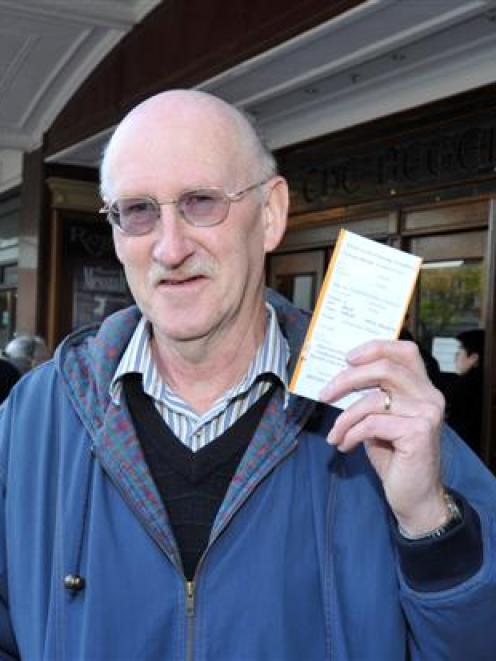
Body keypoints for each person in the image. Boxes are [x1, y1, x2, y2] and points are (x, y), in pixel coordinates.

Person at [1, 91, 495, 660]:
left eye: (201, 201)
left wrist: (429, 522)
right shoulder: (34, 416)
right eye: (138, 210)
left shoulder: (379, 408)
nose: (170, 246)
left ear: (270, 214)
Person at [444, 328, 485, 457]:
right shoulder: (487, 384)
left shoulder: (463, 388)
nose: (456, 356)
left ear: (473, 358)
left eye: (460, 351)